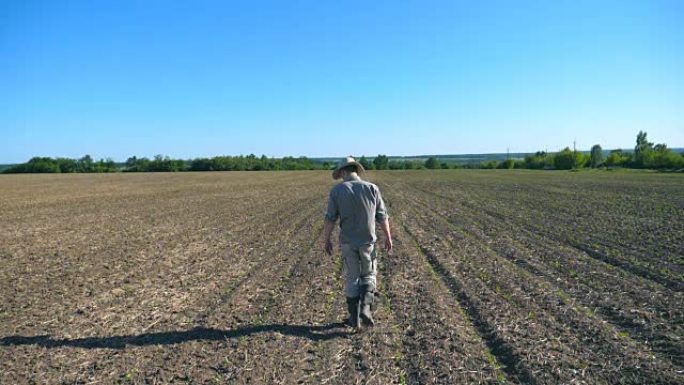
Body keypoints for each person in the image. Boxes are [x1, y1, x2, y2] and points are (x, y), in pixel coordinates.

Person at [323, 156, 393, 328]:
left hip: (347, 241)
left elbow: (330, 218)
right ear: (355, 170)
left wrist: (326, 239)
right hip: (368, 241)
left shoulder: (337, 191)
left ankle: (354, 317)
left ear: (344, 171)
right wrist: (388, 237)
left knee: (352, 277)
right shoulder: (372, 188)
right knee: (369, 274)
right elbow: (382, 216)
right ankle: (366, 308)